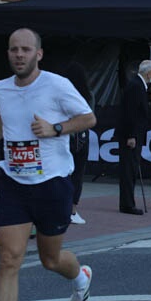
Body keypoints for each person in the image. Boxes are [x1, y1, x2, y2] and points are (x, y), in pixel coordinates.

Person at [0, 28, 97, 301]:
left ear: (38, 54)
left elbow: (88, 118)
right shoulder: (2, 88)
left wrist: (56, 129)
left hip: (53, 183)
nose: (19, 55)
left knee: (50, 260)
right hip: (13, 182)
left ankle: (80, 277)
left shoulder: (56, 85)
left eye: (25, 50)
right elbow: (5, 115)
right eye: (14, 50)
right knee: (9, 258)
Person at [117, 59, 151, 215]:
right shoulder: (136, 86)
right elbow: (131, 113)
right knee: (128, 170)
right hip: (131, 135)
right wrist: (131, 135)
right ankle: (127, 204)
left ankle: (128, 202)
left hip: (134, 133)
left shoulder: (137, 85)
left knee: (131, 169)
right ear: (148, 73)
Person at [60, 62, 92, 225]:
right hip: (82, 137)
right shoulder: (86, 94)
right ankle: (72, 210)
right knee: (78, 175)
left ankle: (61, 208)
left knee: (62, 173)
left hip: (65, 137)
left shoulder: (62, 92)